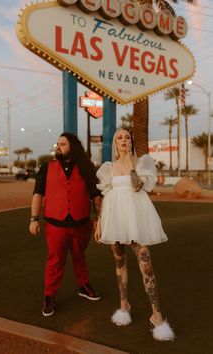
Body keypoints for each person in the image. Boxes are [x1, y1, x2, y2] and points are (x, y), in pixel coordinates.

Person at [94, 128, 175, 341]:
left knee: (146, 265)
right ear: (114, 143)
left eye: (127, 137)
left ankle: (156, 315)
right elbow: (107, 194)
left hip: (137, 218)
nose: (123, 140)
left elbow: (139, 187)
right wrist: (100, 222)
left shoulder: (141, 163)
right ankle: (124, 305)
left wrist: (131, 166)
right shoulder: (108, 168)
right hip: (115, 218)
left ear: (131, 141)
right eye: (119, 137)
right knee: (119, 260)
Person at [29, 132, 101, 317]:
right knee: (55, 261)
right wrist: (34, 218)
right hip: (55, 225)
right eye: (58, 144)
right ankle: (49, 296)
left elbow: (96, 196)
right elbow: (38, 193)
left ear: (73, 147)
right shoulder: (47, 168)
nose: (59, 147)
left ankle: (84, 286)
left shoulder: (86, 168)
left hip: (81, 223)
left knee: (79, 256)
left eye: (63, 144)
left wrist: (99, 219)